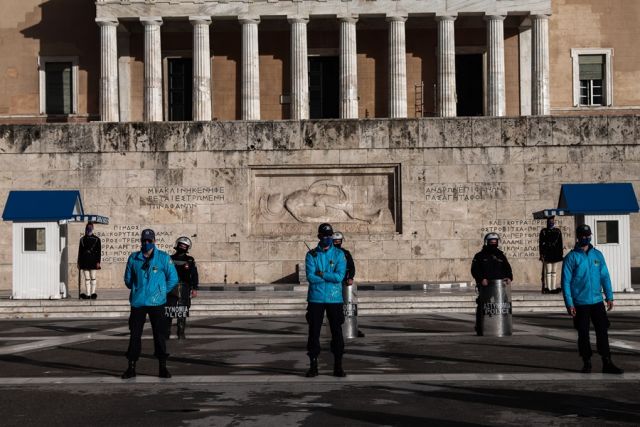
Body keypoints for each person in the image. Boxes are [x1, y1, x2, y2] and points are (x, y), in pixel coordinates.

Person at [562, 224, 623, 374]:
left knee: (602, 331)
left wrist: (609, 296)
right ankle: (586, 362)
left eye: (588, 235)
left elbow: (604, 276)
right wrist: (569, 303)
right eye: (583, 236)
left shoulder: (597, 255)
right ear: (578, 237)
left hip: (597, 301)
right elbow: (565, 282)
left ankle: (607, 362)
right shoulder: (571, 257)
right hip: (580, 303)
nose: (586, 238)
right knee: (583, 333)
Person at [121, 228, 179, 379]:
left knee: (159, 334)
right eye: (144, 241)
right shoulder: (134, 258)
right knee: (135, 334)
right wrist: (136, 288)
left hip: (157, 302)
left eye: (149, 240)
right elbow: (128, 280)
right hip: (138, 302)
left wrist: (161, 291)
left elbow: (173, 278)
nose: (146, 243)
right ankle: (131, 367)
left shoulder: (163, 258)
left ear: (154, 241)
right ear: (141, 241)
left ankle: (162, 367)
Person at [304, 223, 347, 378]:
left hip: (334, 298)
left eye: (329, 236)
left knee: (336, 332)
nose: (327, 238)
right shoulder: (312, 255)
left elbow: (339, 277)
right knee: (314, 332)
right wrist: (327, 275)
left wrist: (322, 274)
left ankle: (338, 365)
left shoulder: (339, 255)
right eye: (324, 236)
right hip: (316, 298)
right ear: (319, 237)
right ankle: (313, 365)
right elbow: (311, 277)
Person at [471, 233, 513, 336]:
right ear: (487, 242)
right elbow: (474, 270)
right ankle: (481, 327)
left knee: (502, 306)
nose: (494, 244)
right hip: (486, 287)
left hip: (500, 288)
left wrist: (509, 277)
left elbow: (508, 269)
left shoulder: (501, 255)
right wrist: (481, 279)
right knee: (484, 307)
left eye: (495, 242)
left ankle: (503, 327)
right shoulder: (479, 256)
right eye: (491, 242)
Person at [332, 231, 364, 338]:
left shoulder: (346, 253)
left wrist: (350, 278)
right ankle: (336, 329)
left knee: (348, 308)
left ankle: (352, 329)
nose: (337, 243)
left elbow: (352, 267)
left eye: (339, 241)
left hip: (344, 283)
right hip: (333, 284)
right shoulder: (329, 253)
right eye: (335, 241)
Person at [166, 236, 199, 339]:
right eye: (181, 245)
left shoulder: (190, 260)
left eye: (185, 246)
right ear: (177, 245)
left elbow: (194, 274)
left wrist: (194, 288)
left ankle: (181, 333)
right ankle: (166, 333)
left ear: (188, 247)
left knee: (182, 310)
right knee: (169, 310)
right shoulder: (170, 258)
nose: (183, 247)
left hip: (184, 287)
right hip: (171, 287)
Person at [539, 216, 564, 294]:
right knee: (548, 272)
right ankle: (549, 288)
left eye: (552, 221)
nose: (551, 223)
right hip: (547, 254)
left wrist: (560, 254)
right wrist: (542, 254)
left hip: (555, 254)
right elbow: (541, 244)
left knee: (554, 272)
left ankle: (553, 288)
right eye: (550, 221)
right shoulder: (544, 231)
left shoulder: (558, 231)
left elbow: (560, 244)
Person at [77, 222, 101, 299]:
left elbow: (99, 252)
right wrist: (79, 262)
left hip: (93, 261)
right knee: (87, 279)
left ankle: (93, 293)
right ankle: (88, 294)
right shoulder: (82, 239)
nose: (89, 229)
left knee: (93, 277)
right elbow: (80, 252)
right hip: (84, 261)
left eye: (90, 227)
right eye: (88, 227)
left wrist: (98, 262)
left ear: (93, 228)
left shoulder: (97, 239)